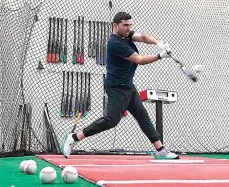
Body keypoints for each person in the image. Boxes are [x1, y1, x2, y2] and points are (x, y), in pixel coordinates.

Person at [61, 11, 179, 159]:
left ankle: (160, 150)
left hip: (128, 86)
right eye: (125, 25)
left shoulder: (126, 34)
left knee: (143, 117)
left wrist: (158, 42)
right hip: (116, 88)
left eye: (130, 25)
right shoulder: (115, 43)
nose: (128, 28)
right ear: (115, 26)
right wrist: (159, 56)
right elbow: (139, 59)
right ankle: (74, 137)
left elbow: (142, 37)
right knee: (111, 120)